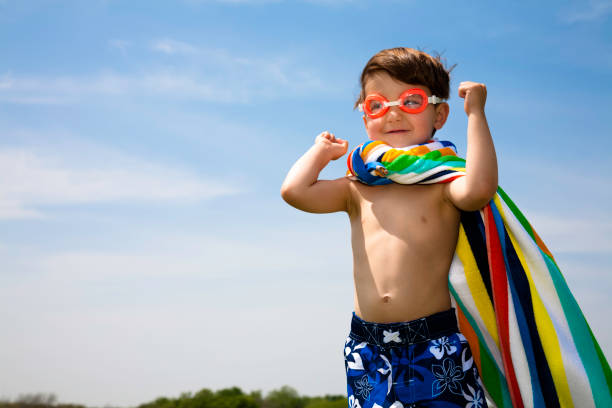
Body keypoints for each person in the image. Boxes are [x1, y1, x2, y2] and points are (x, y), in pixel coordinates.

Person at [280, 47, 496, 408]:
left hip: (434, 342)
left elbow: (478, 191)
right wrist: (320, 151)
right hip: (366, 346)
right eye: (377, 105)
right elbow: (295, 192)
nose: (392, 112)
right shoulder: (357, 186)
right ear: (365, 116)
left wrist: (476, 115)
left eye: (410, 100)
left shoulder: (442, 182)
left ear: (440, 113)